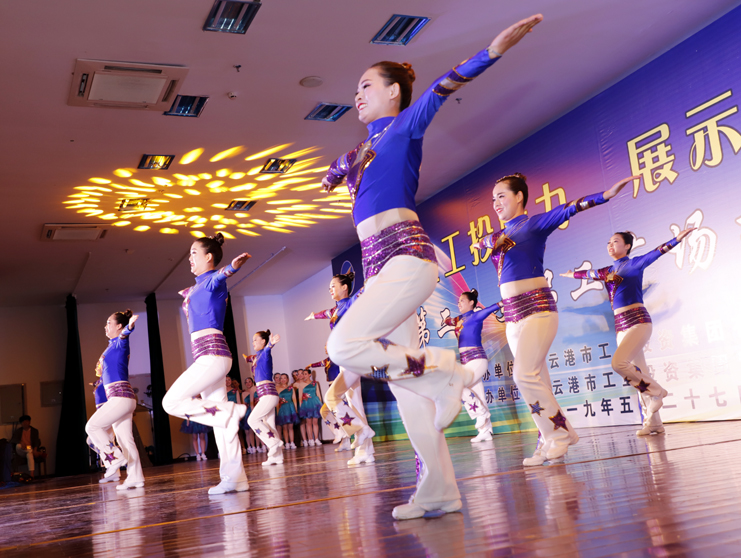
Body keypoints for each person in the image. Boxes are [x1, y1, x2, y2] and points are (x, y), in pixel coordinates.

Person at [322, 14, 544, 519]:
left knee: (342, 346)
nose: (357, 94)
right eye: (355, 89)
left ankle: (446, 371)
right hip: (381, 268)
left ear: (394, 93)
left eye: (366, 86)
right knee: (405, 388)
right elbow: (333, 173)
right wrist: (337, 173)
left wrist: (493, 49)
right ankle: (439, 491)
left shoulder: (405, 125)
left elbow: (447, 83)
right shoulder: (358, 150)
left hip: (407, 257)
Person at [472, 172, 639, 466]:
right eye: (493, 199)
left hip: (537, 309)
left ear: (519, 197)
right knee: (537, 382)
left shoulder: (533, 224)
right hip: (512, 317)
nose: (496, 203)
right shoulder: (497, 236)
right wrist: (481, 243)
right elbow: (485, 241)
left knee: (523, 375)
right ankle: (549, 438)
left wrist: (605, 195)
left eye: (502, 196)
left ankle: (560, 435)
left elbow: (569, 208)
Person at [561, 227, 694, 436]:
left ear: (627, 246)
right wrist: (571, 274)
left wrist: (677, 239)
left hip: (638, 321)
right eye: (608, 242)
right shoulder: (606, 271)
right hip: (620, 326)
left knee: (618, 363)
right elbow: (588, 274)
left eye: (615, 241)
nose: (610, 245)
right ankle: (654, 423)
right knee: (640, 373)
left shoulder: (635, 264)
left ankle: (658, 391)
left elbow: (657, 252)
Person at [162, 233, 251, 494]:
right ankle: (235, 478)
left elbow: (224, 274)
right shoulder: (196, 287)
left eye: (194, 253)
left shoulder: (213, 281)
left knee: (170, 402)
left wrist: (233, 266)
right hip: (209, 357)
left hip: (213, 356)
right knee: (220, 422)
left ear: (208, 256)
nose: (189, 258)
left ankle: (231, 411)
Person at [306, 271, 375, 463]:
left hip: (352, 357)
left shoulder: (352, 302)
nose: (330, 289)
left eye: (333, 286)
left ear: (344, 287)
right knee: (355, 404)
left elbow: (365, 289)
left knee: (331, 397)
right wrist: (313, 316)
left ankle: (361, 430)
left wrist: (374, 275)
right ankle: (365, 452)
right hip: (345, 359)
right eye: (329, 287)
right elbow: (325, 313)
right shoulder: (335, 309)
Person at [85, 310, 145, 490]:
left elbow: (126, 334)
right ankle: (136, 478)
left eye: (109, 323)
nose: (105, 326)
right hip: (122, 398)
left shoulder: (120, 342)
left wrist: (130, 326)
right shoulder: (111, 346)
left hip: (120, 397)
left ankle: (114, 458)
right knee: (126, 440)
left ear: (119, 326)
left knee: (92, 427)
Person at [442, 289, 505, 443]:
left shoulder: (476, 316)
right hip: (466, 363)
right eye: (458, 302)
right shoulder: (458, 319)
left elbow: (493, 307)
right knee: (478, 396)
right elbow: (449, 321)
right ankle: (485, 431)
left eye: (462, 301)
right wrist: (447, 319)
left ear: (471, 303)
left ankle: (481, 414)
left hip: (477, 359)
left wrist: (505, 301)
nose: (459, 304)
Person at [245, 331, 284, 466]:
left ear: (263, 341)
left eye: (255, 340)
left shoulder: (265, 353)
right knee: (270, 426)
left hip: (268, 395)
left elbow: (267, 350)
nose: (253, 342)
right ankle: (277, 457)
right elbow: (250, 358)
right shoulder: (257, 356)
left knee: (252, 420)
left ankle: (274, 443)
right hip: (266, 396)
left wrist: (270, 344)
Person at [295, 369, 323, 446]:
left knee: (315, 422)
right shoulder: (301, 384)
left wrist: (321, 405)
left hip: (315, 403)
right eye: (303, 374)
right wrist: (301, 407)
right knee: (308, 422)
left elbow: (318, 394)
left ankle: (316, 439)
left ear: (309, 374)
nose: (304, 375)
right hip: (306, 404)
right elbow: (300, 396)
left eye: (305, 374)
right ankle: (310, 439)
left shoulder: (315, 383)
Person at [275, 374, 298, 449]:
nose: (283, 380)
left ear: (287, 379)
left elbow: (294, 399)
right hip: (282, 408)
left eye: (284, 378)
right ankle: (287, 443)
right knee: (284, 427)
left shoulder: (291, 388)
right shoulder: (277, 389)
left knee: (291, 427)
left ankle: (292, 442)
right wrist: (278, 411)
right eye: (281, 378)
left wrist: (295, 410)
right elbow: (276, 401)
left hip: (290, 407)